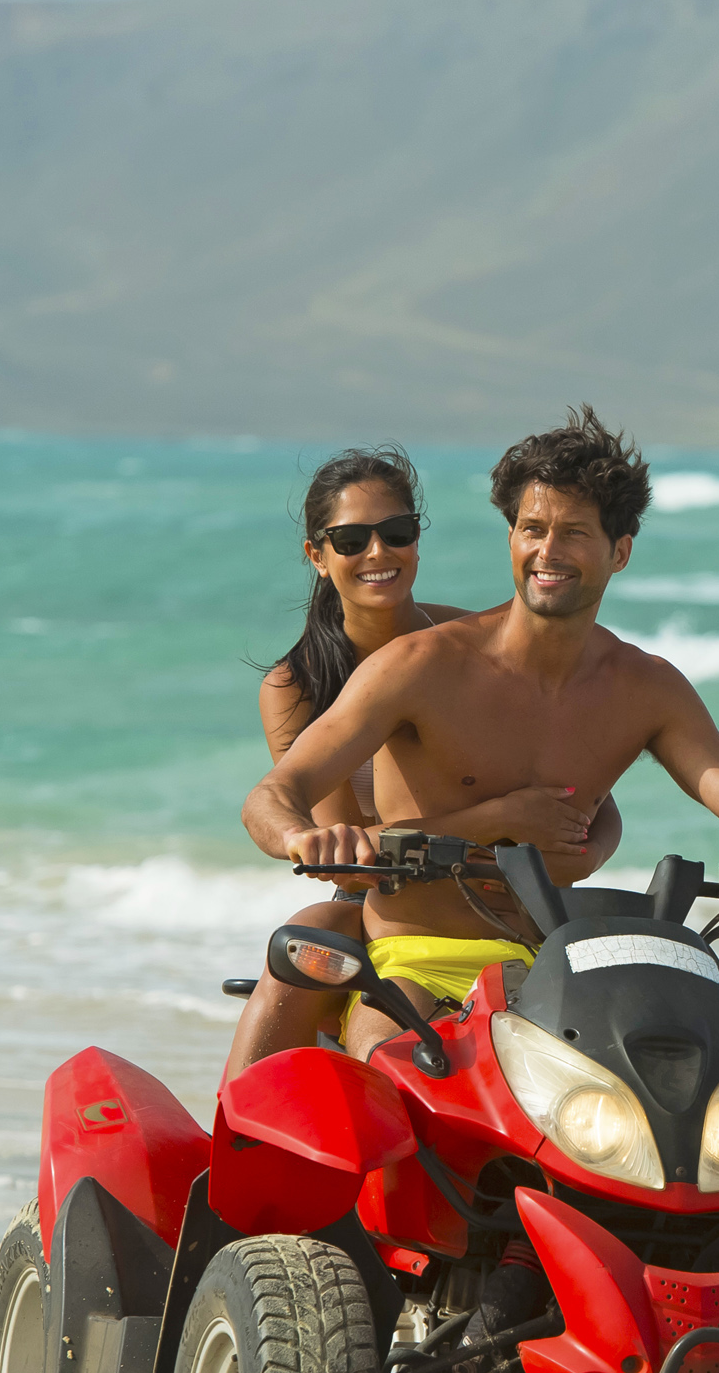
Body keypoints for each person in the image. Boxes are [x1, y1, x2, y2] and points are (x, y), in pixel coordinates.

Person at [242, 407, 719, 1065]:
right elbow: (275, 795)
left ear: (619, 550)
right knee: (390, 1074)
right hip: (418, 959)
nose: (547, 551)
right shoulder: (419, 664)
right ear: (509, 537)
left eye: (573, 533)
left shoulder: (645, 687)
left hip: (564, 970)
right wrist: (303, 836)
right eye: (531, 528)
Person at [222, 445, 618, 1081]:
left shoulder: (471, 645)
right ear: (317, 557)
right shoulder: (296, 687)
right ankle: (233, 1141)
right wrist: (498, 819)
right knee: (310, 927)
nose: (377, 554)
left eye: (396, 533)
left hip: (508, 903)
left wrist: (589, 850)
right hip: (392, 904)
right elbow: (348, 868)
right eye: (350, 540)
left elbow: (585, 789)